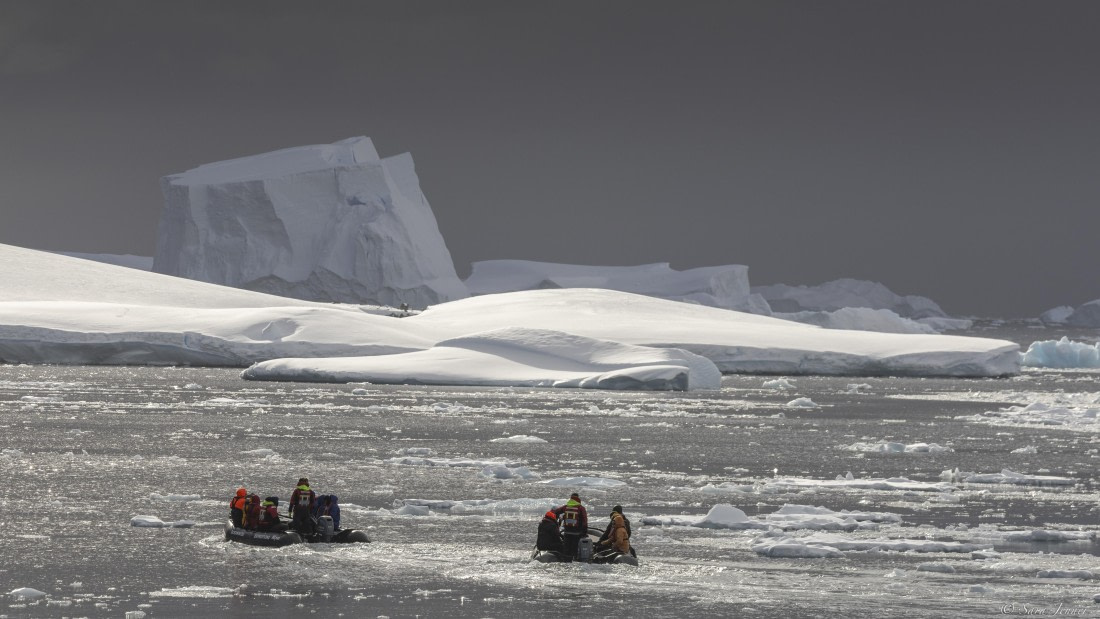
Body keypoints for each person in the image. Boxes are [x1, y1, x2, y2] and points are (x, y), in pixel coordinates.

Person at [552, 492, 588, 559]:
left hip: (567, 531)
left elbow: (555, 512)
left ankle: (566, 560)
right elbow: (584, 521)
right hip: (577, 532)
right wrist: (584, 532)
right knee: (574, 548)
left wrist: (556, 522)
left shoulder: (566, 507)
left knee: (566, 548)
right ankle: (574, 559)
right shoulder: (581, 508)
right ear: (578, 499)